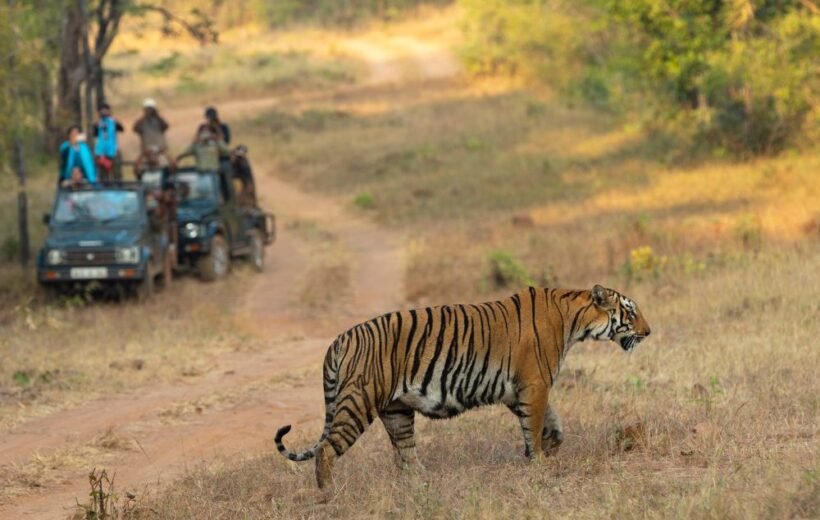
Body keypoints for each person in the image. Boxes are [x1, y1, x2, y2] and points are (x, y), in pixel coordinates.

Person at [93, 102, 124, 181]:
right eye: (101, 110)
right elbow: (95, 134)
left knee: (116, 173)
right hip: (101, 152)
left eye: (105, 110)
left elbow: (122, 129)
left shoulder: (113, 122)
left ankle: (118, 187)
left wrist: (117, 122)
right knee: (103, 174)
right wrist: (96, 126)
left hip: (113, 151)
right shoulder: (98, 123)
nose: (103, 112)